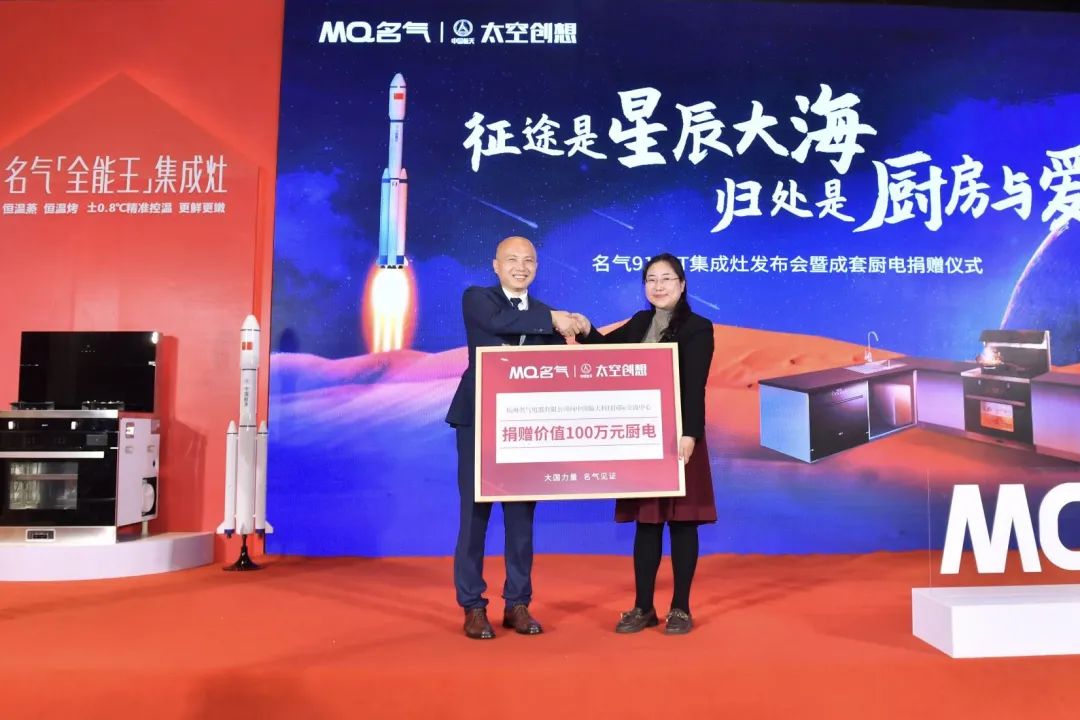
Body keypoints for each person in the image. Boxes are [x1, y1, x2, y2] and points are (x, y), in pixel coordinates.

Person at [445, 235, 584, 640]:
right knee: (474, 517)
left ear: (536, 268)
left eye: (528, 261)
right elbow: (500, 323)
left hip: (525, 428)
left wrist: (582, 328)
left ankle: (518, 603)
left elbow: (564, 362)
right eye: (512, 259)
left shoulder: (547, 314)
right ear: (496, 265)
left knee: (521, 518)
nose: (520, 267)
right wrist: (554, 319)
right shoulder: (478, 299)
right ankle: (473, 606)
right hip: (479, 423)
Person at [574, 253, 716, 635]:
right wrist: (586, 329)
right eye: (651, 279)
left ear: (682, 284)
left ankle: (680, 608)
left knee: (682, 524)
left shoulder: (698, 328)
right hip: (643, 437)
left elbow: (694, 385)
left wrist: (690, 433)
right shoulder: (640, 322)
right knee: (647, 524)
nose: (658, 286)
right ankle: (643, 607)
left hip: (680, 437)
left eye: (666, 279)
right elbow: (606, 353)